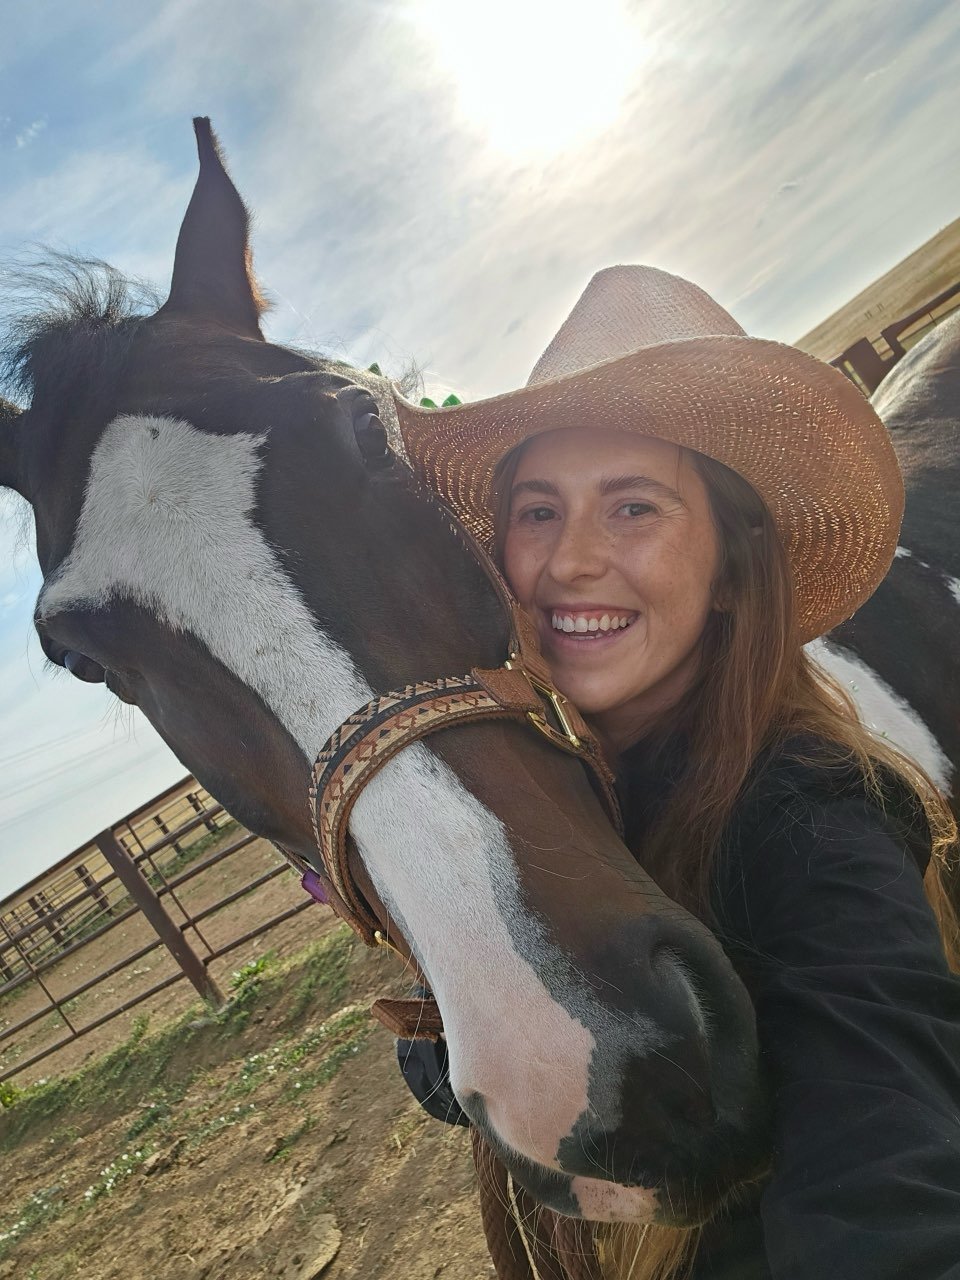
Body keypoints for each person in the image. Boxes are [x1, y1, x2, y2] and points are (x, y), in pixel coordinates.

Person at [390, 266, 960, 1280]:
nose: (568, 561)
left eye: (633, 507)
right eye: (535, 511)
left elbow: (886, 1180)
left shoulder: (813, 817)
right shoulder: (571, 782)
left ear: (735, 562)